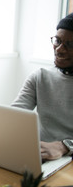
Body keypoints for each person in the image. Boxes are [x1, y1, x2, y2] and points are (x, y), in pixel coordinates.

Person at [11, 13, 73, 160]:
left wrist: (63, 146)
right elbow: (15, 115)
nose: (59, 49)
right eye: (57, 40)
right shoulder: (40, 76)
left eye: (70, 45)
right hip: (40, 155)